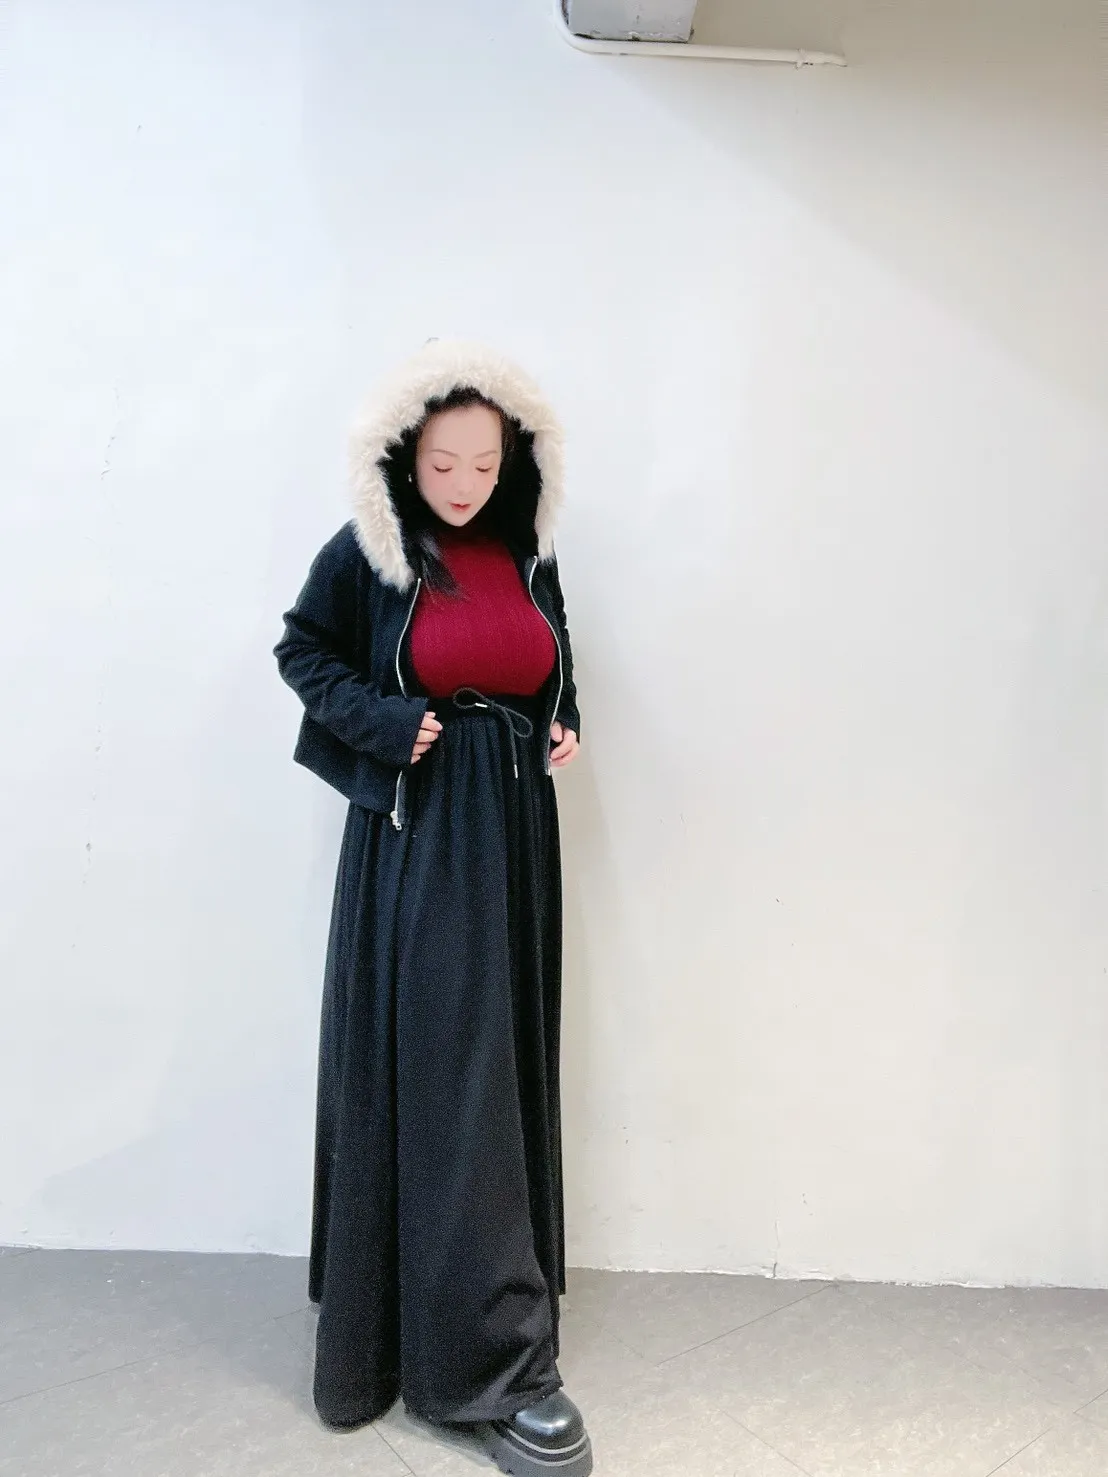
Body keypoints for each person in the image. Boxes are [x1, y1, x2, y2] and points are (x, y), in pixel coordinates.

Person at [274, 340, 592, 1477]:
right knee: (453, 1072)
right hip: (426, 832)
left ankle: (459, 1311)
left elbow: (544, 656)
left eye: (485, 465)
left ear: (514, 463)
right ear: (406, 459)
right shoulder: (372, 554)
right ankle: (486, 1362)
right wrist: (382, 723)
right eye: (444, 464)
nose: (463, 485)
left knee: (495, 1066)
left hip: (515, 834)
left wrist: (562, 715)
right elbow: (302, 650)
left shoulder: (526, 554)